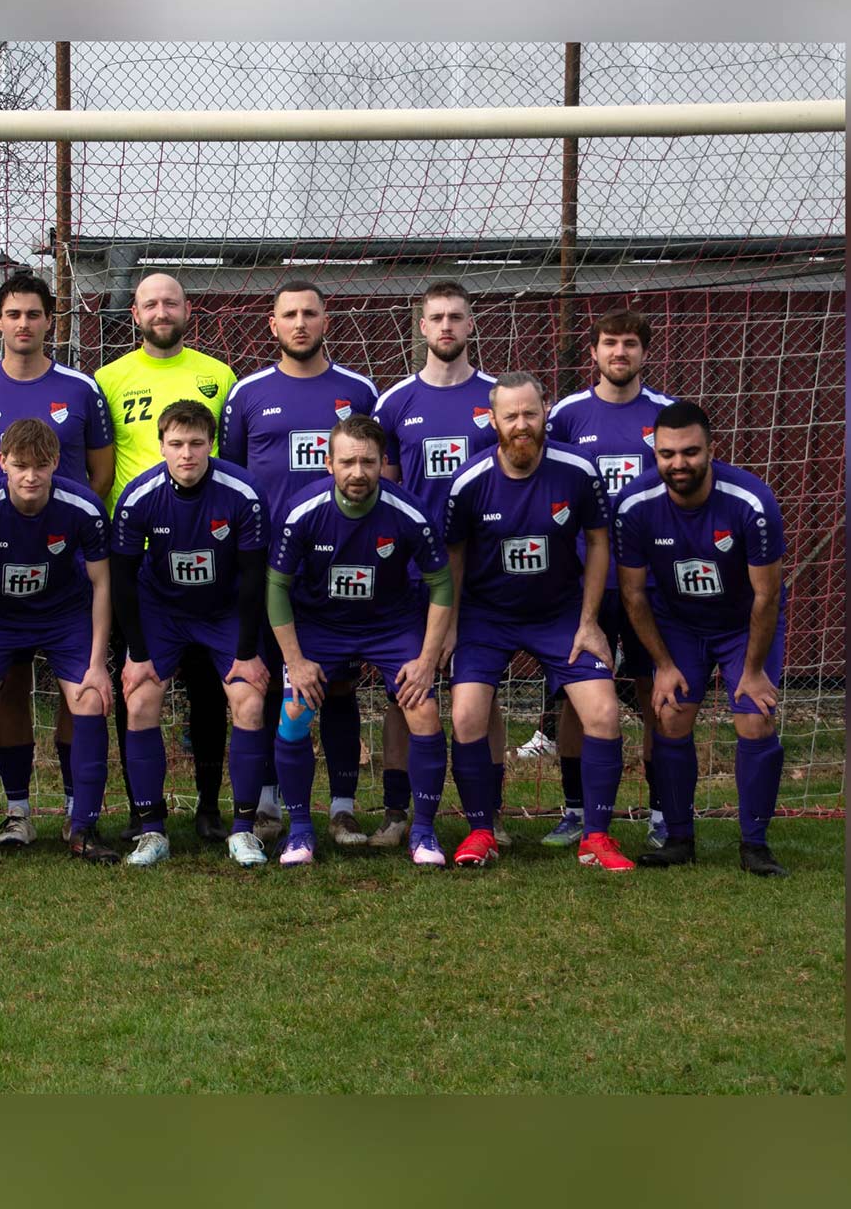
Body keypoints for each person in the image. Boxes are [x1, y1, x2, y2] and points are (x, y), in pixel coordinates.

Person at [443, 373, 632, 871]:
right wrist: (451, 625)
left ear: (546, 411)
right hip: (488, 615)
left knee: (604, 712)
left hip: (560, 614)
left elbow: (598, 542)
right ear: (493, 420)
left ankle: (597, 837)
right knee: (466, 715)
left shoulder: (578, 469)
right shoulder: (469, 481)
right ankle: (482, 830)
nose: (521, 424)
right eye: (511, 416)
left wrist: (589, 621)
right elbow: (454, 557)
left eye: (530, 413)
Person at [0, 272, 114, 843]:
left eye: (34, 314)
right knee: (7, 689)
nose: (24, 323)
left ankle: (77, 812)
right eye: (13, 314)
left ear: (50, 320)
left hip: (64, 569)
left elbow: (99, 475)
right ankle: (15, 813)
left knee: (80, 693)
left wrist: (63, 527)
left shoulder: (81, 388)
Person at [220, 279, 379, 849]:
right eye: (289, 314)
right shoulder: (247, 393)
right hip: (271, 566)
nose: (300, 323)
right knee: (267, 681)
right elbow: (232, 477)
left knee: (338, 685)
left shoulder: (359, 391)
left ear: (325, 320)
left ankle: (342, 808)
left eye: (310, 313)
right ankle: (266, 805)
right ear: (273, 324)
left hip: (341, 563)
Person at [267, 417, 453, 868]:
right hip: (322, 624)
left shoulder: (409, 513)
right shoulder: (301, 511)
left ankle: (424, 832)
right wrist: (296, 661)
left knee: (423, 710)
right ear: (328, 463)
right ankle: (300, 831)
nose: (358, 472)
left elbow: (442, 584)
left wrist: (427, 660)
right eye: (347, 462)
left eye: (368, 462)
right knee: (294, 711)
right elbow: (276, 587)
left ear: (383, 463)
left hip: (390, 625)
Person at [616, 401, 790, 875]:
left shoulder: (752, 502)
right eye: (667, 454)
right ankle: (678, 839)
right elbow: (633, 595)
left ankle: (755, 845)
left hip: (742, 625)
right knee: (670, 716)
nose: (679, 463)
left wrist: (752, 671)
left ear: (711, 450)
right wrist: (663, 665)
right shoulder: (634, 505)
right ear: (655, 453)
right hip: (678, 625)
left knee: (754, 718)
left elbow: (766, 597)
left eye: (690, 452)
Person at [94, 272, 237, 842]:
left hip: (207, 556)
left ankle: (208, 806)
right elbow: (101, 462)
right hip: (139, 563)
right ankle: (142, 810)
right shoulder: (108, 379)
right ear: (134, 314)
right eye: (150, 304)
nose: (161, 312)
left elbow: (230, 462)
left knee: (207, 690)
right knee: (136, 682)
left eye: (170, 302)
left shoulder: (218, 375)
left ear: (187, 309)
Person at [373, 280, 511, 848]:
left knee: (482, 694)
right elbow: (383, 491)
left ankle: (490, 814)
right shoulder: (394, 403)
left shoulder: (498, 398)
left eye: (457, 316)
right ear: (422, 327)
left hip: (483, 573)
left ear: (471, 324)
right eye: (437, 317)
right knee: (405, 693)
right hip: (413, 575)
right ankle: (397, 812)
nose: (447, 325)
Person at [0, 419, 117, 864]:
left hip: (64, 616)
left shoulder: (83, 507)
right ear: (2, 462)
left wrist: (98, 664)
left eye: (40, 466)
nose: (30, 476)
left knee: (90, 698)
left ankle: (83, 826)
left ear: (56, 463)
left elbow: (102, 583)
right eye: (20, 466)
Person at [539, 307, 676, 849]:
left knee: (655, 692)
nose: (620, 352)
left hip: (651, 583)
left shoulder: (666, 414)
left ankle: (662, 813)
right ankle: (575, 810)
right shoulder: (567, 415)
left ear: (645, 352)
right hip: (584, 585)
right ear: (593, 351)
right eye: (610, 343)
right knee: (580, 695)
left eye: (630, 344)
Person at [112, 401, 270, 868]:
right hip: (162, 610)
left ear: (211, 445)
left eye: (197, 443)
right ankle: (151, 830)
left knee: (249, 701)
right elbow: (122, 580)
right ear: (161, 445)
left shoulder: (243, 493)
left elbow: (254, 577)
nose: (187, 454)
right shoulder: (138, 497)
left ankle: (244, 831)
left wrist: (247, 653)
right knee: (139, 699)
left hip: (223, 611)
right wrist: (137, 653)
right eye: (177, 444)